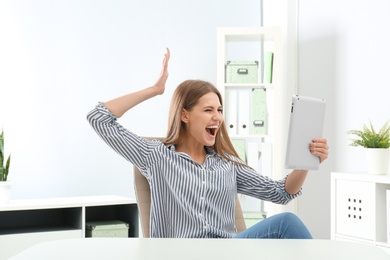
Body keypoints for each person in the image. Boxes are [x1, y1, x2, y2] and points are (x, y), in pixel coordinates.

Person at [87, 48, 329, 239]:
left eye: (220, 110)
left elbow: (280, 193)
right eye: (208, 110)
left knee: (287, 223)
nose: (218, 117)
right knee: (286, 223)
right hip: (180, 254)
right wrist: (155, 89)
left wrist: (306, 161)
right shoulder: (155, 156)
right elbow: (99, 118)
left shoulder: (227, 164)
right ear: (185, 115)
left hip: (227, 252)